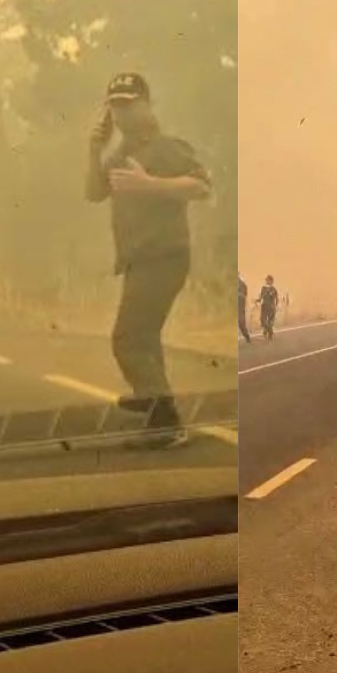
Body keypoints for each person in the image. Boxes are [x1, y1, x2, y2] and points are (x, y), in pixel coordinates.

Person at [85, 72, 213, 449]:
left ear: (147, 104)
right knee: (143, 338)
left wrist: (151, 185)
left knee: (128, 338)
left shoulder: (165, 148)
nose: (122, 112)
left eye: (129, 103)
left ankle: (164, 415)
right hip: (138, 261)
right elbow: (94, 193)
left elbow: (202, 187)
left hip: (164, 256)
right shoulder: (119, 155)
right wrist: (94, 151)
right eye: (115, 105)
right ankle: (158, 412)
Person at [257, 275, 279, 340]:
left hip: (271, 307)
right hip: (264, 307)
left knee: (270, 322)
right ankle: (268, 331)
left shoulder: (273, 289)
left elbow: (275, 297)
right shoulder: (263, 288)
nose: (266, 281)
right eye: (266, 280)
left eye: (268, 280)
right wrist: (257, 300)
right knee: (262, 320)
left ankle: (269, 334)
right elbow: (261, 296)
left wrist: (276, 306)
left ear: (271, 281)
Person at [239, 274, 252, 343]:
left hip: (239, 307)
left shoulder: (242, 284)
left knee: (241, 323)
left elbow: (244, 295)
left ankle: (247, 337)